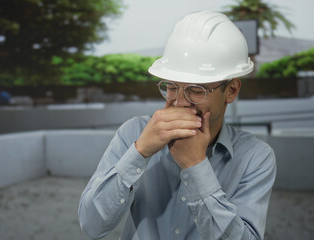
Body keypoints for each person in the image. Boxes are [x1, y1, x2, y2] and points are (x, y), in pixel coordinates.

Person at [78, 10, 276, 240]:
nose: (179, 102)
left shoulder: (255, 157)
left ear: (231, 90)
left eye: (196, 90)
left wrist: (196, 165)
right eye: (171, 87)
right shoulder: (133, 134)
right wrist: (139, 152)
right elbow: (92, 226)